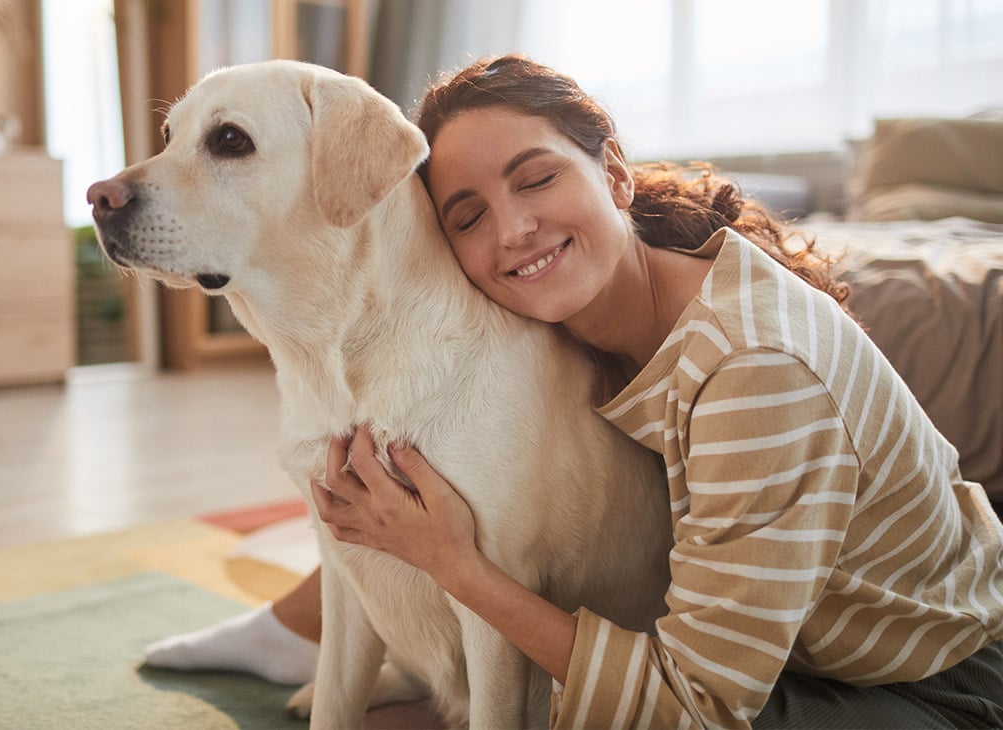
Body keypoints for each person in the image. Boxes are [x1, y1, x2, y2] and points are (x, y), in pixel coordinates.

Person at [145, 54, 1003, 727]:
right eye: (468, 215)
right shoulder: (576, 315)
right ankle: (296, 633)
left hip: (921, 683)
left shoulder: (758, 375)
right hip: (773, 646)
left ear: (616, 175)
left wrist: (450, 560)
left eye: (538, 177)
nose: (513, 231)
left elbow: (694, 710)